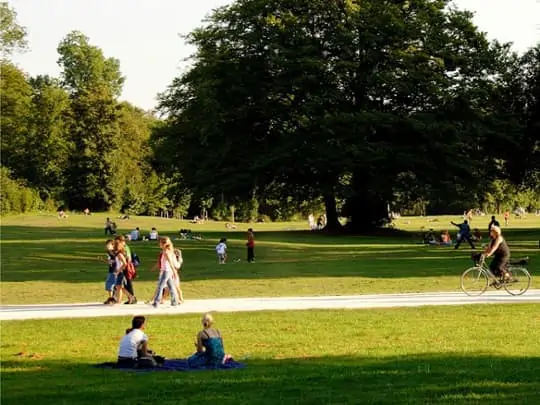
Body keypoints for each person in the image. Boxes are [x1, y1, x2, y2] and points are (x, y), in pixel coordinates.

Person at [151, 237, 181, 308]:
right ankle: (175, 301)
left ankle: (156, 302)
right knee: (171, 286)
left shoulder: (166, 252)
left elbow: (170, 262)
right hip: (167, 271)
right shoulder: (166, 251)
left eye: (160, 243)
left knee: (160, 286)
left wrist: (174, 272)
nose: (159, 244)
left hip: (166, 271)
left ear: (164, 244)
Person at [114, 237, 137, 305]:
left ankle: (129, 297)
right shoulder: (118, 254)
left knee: (119, 286)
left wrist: (118, 271)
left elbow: (125, 263)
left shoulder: (119, 254)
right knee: (119, 287)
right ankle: (129, 297)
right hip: (120, 271)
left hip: (121, 272)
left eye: (115, 246)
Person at [103, 240, 117, 304]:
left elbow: (115, 261)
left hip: (114, 271)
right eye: (106, 245)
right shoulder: (110, 252)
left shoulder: (112, 253)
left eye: (108, 245)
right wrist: (104, 260)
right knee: (112, 285)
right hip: (112, 270)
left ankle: (112, 299)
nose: (106, 246)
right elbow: (111, 262)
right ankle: (112, 298)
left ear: (113, 245)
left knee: (110, 284)